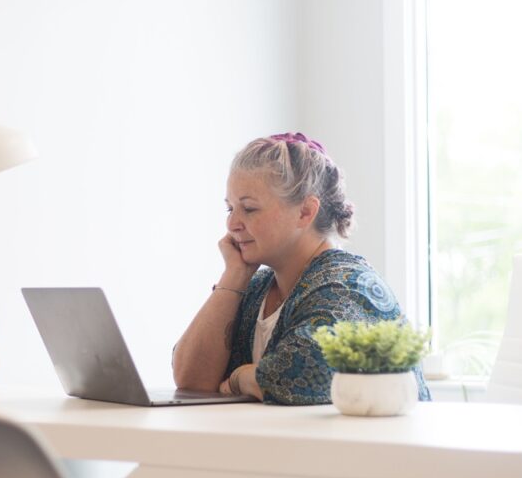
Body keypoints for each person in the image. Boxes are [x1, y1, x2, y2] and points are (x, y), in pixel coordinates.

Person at [172, 132, 431, 405]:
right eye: (230, 209)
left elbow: (301, 375)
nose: (232, 224)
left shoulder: (347, 285)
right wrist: (233, 277)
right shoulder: (257, 287)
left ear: (306, 212)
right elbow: (191, 380)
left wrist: (239, 378)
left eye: (248, 209)